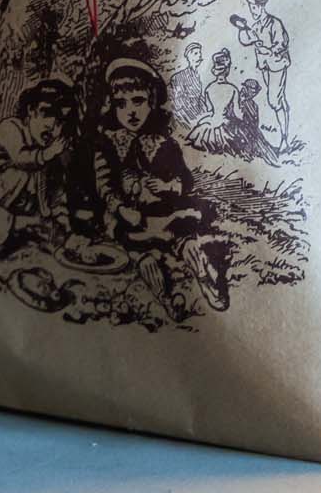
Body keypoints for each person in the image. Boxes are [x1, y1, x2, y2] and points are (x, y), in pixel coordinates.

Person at [91, 58, 231, 320]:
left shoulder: (162, 141)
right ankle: (165, 297)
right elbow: (104, 185)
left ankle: (205, 276)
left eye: (138, 101)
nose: (131, 112)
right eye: (121, 104)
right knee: (139, 252)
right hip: (131, 216)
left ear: (152, 101)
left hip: (162, 210)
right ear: (112, 106)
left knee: (184, 235)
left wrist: (170, 186)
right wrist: (120, 209)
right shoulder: (108, 143)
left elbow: (185, 179)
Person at [0, 78, 78, 256]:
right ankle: (18, 225)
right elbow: (22, 158)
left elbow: (55, 188)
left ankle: (28, 224)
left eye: (60, 121)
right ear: (31, 110)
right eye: (46, 113)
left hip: (24, 202)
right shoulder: (10, 128)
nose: (52, 125)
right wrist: (47, 154)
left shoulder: (50, 147)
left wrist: (59, 218)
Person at [232, 0, 292, 155]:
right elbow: (246, 40)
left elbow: (282, 44)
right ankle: (284, 136)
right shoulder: (256, 26)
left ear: (261, 6)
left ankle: (284, 140)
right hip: (266, 66)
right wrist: (241, 27)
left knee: (274, 101)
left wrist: (268, 50)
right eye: (251, 7)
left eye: (254, 7)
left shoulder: (274, 23)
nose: (252, 10)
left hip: (277, 65)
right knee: (278, 100)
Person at [186, 49, 240, 153]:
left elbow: (209, 109)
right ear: (227, 69)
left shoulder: (209, 88)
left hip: (211, 121)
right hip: (224, 123)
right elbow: (237, 112)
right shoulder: (233, 89)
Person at [169, 42, 211, 124]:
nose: (199, 55)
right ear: (189, 57)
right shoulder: (179, 76)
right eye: (195, 53)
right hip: (187, 114)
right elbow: (178, 100)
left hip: (199, 109)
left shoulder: (199, 74)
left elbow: (200, 96)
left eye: (199, 53)